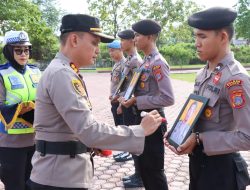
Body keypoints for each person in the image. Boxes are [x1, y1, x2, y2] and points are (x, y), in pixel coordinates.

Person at [27, 14, 163, 190]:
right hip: (59, 178)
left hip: (61, 173)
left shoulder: (65, 71)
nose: (98, 50)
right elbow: (89, 130)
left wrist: (89, 143)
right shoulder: (61, 74)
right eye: (94, 43)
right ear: (74, 40)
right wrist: (140, 131)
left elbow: (70, 128)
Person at [165, 7, 250, 190]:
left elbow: (247, 137)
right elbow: (198, 114)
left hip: (222, 172)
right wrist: (180, 132)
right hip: (198, 163)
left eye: (202, 37)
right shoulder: (203, 73)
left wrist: (200, 138)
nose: (196, 43)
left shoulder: (236, 79)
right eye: (195, 36)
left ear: (223, 37)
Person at [120, 19, 175, 190]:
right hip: (142, 119)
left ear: (150, 37)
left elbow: (168, 98)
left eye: (137, 35)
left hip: (154, 120)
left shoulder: (157, 63)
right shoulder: (146, 61)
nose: (134, 39)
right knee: (144, 169)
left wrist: (137, 100)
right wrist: (129, 98)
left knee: (154, 172)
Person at [0, 30, 41, 190]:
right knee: (15, 185)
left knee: (33, 184)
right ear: (9, 51)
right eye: (18, 50)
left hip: (35, 139)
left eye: (26, 50)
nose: (23, 54)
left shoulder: (36, 71)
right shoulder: (2, 74)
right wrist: (19, 109)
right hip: (10, 143)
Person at [117, 29, 144, 188]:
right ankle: (137, 173)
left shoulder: (136, 61)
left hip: (133, 107)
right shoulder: (130, 59)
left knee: (135, 141)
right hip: (126, 104)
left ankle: (139, 176)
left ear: (131, 41)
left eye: (122, 40)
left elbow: (136, 88)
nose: (120, 43)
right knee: (131, 140)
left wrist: (125, 103)